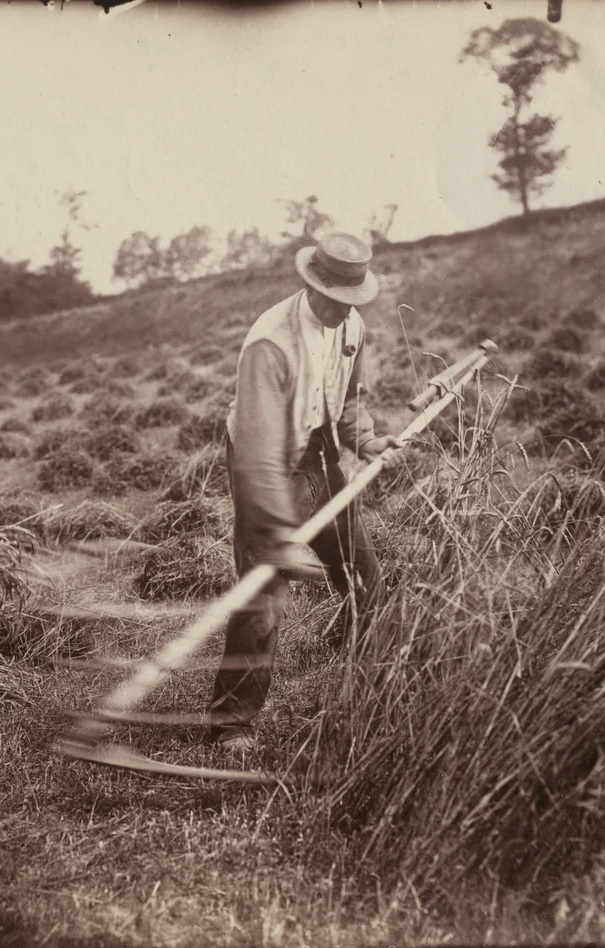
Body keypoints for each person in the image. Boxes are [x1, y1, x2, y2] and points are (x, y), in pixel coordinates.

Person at [209, 232, 404, 753]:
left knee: (363, 575)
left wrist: (366, 440)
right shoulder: (270, 344)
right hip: (265, 460)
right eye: (338, 300)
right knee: (265, 595)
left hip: (319, 449)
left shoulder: (352, 326)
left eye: (354, 301)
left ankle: (375, 684)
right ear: (313, 286)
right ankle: (232, 722)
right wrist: (278, 530)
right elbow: (256, 453)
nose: (346, 310)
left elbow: (348, 399)